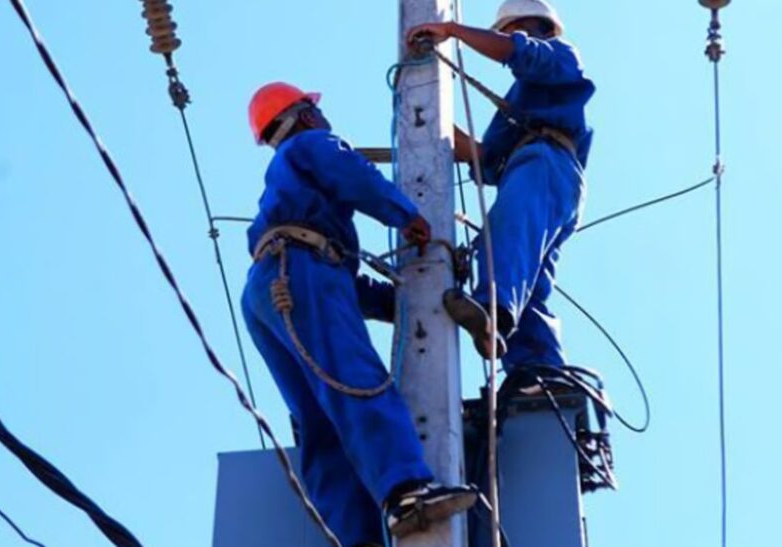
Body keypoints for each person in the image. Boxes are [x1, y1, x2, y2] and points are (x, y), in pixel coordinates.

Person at [241, 82, 477, 546]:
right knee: (355, 377)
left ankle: (358, 537)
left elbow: (342, 287)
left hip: (269, 289)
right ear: (304, 115)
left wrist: (400, 304)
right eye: (316, 110)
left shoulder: (289, 186)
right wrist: (403, 213)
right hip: (299, 271)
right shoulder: (311, 144)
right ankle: (407, 492)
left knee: (319, 423)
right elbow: (350, 171)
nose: (323, 118)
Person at [407, 0, 595, 374]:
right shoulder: (519, 101)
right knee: (531, 285)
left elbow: (519, 53)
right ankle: (536, 374)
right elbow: (484, 157)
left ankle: (494, 309)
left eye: (509, 31)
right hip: (538, 171)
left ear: (533, 26)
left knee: (506, 234)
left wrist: (453, 31)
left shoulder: (560, 58)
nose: (506, 37)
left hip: (546, 163)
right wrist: (429, 120)